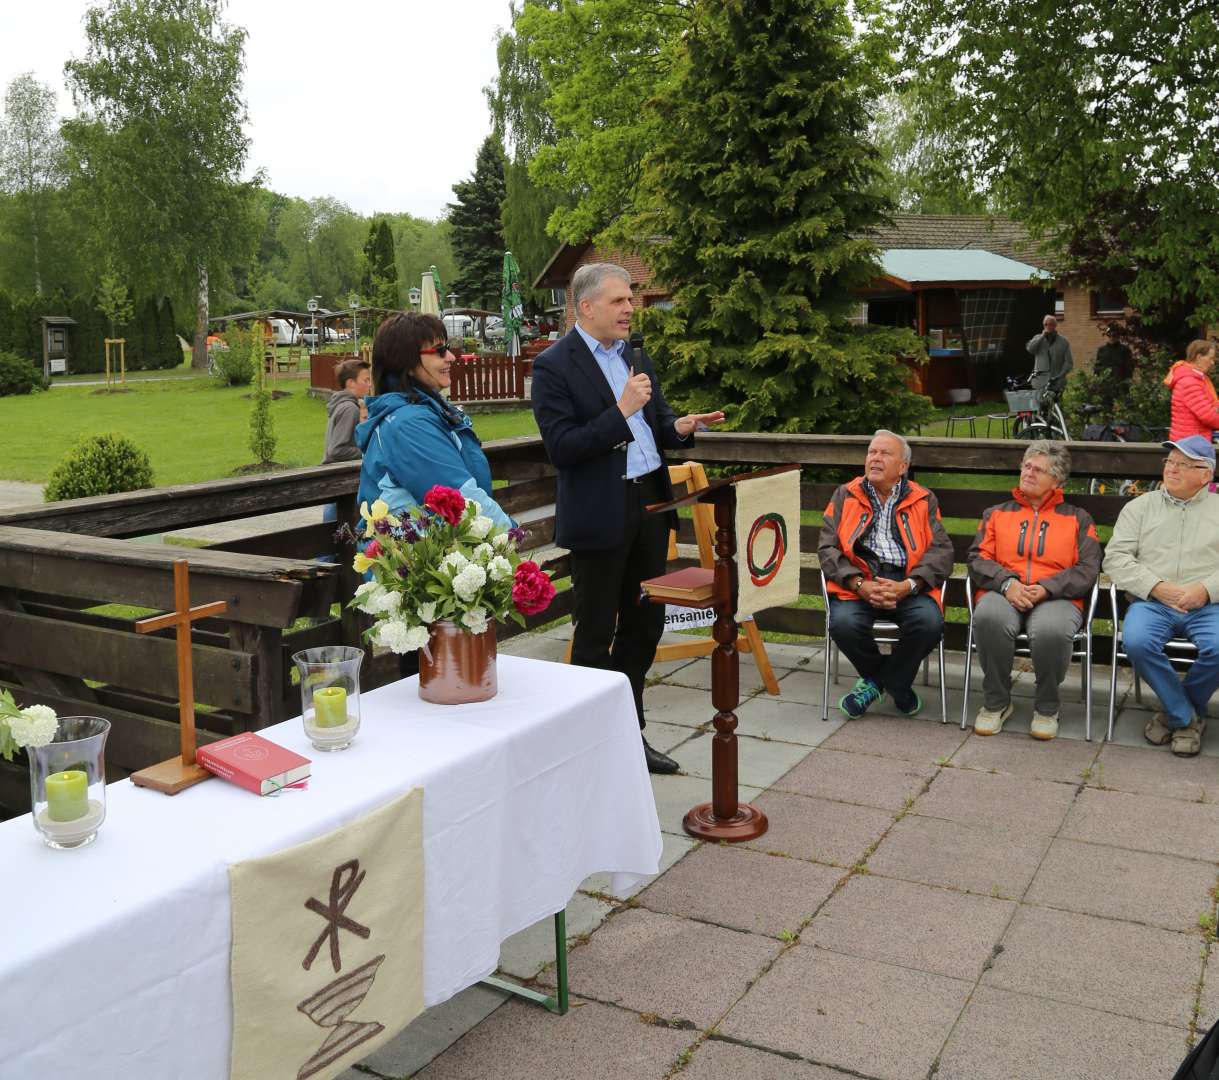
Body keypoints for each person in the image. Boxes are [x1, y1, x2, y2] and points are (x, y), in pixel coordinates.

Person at [531, 263, 724, 774]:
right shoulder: (554, 366)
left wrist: (680, 426)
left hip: (650, 509)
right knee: (595, 633)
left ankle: (625, 731)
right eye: (618, 301)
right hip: (599, 514)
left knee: (647, 620)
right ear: (585, 306)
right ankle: (591, 744)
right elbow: (564, 448)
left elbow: (656, 421)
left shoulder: (635, 356)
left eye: (630, 300)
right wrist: (619, 412)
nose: (630, 308)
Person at [967, 441, 1101, 740]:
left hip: (1057, 596)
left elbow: (1088, 569)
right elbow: (977, 558)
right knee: (989, 617)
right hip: (1003, 591)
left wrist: (1045, 588)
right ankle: (996, 702)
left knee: (1052, 630)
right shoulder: (996, 513)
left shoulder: (1078, 519)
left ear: (1057, 480)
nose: (1028, 472)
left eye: (1038, 469)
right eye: (1026, 466)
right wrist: (1007, 583)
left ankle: (1047, 706)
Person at [818, 430, 954, 719]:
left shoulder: (924, 499)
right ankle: (899, 689)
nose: (875, 459)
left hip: (906, 581)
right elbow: (827, 547)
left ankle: (878, 684)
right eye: (872, 452)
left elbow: (942, 552)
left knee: (929, 624)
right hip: (859, 581)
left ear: (903, 467)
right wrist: (858, 583)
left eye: (884, 453)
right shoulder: (845, 494)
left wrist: (908, 585)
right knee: (843, 624)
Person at [1103, 436, 1219, 757]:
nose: (1173, 469)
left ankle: (1173, 713)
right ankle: (1186, 717)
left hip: (1209, 605)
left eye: (1184, 464)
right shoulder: (1139, 507)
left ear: (1205, 474)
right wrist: (1155, 586)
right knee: (1137, 641)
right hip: (1152, 603)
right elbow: (1115, 558)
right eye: (1170, 462)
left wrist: (1206, 589)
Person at [356, 312, 512, 530]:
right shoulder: (408, 425)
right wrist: (513, 535)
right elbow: (463, 501)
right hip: (419, 559)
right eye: (440, 351)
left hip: (435, 555)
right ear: (407, 362)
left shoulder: (421, 412)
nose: (451, 357)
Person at [1164, 339, 1219, 443]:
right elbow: (1208, 416)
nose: (1212, 363)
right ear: (1198, 357)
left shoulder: (1197, 379)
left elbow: (1212, 407)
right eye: (1210, 358)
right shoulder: (1189, 382)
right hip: (1190, 445)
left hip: (1191, 441)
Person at [322, 358, 372, 464]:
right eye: (366, 380)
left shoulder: (342, 404)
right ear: (351, 383)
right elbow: (337, 451)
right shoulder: (349, 408)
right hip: (338, 476)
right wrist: (369, 451)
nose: (370, 384)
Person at [1027, 315, 1073, 394]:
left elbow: (1069, 363)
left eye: (1050, 324)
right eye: (1046, 324)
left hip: (1057, 383)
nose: (1048, 326)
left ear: (1055, 325)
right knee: (1039, 405)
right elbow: (1031, 349)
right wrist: (1042, 336)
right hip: (1040, 382)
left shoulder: (1063, 341)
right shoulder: (1037, 338)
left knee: (1056, 405)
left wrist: (1059, 376)